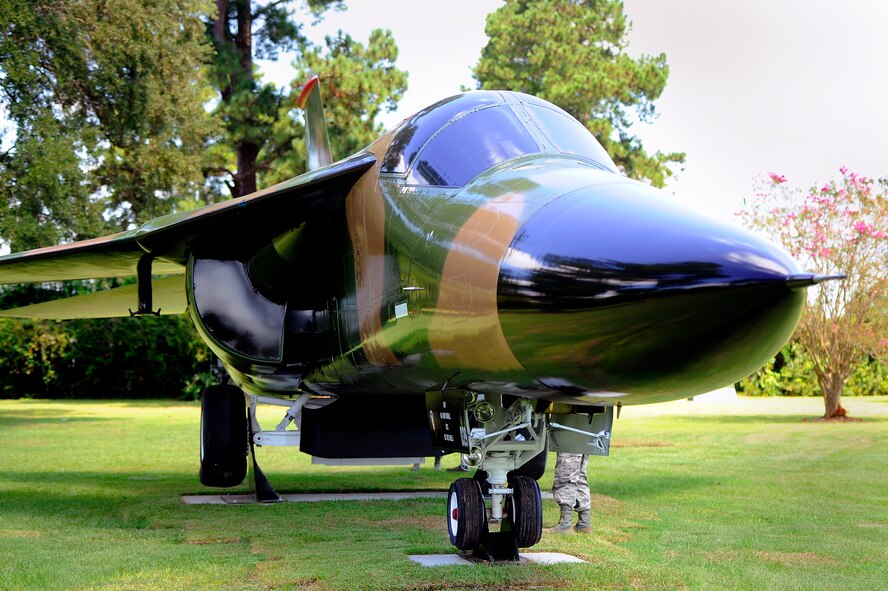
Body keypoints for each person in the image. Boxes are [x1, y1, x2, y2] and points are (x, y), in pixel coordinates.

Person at [549, 453, 592, 534]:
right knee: (580, 476)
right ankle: (584, 523)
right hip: (585, 441)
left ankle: (565, 524)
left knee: (565, 476)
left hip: (570, 443)